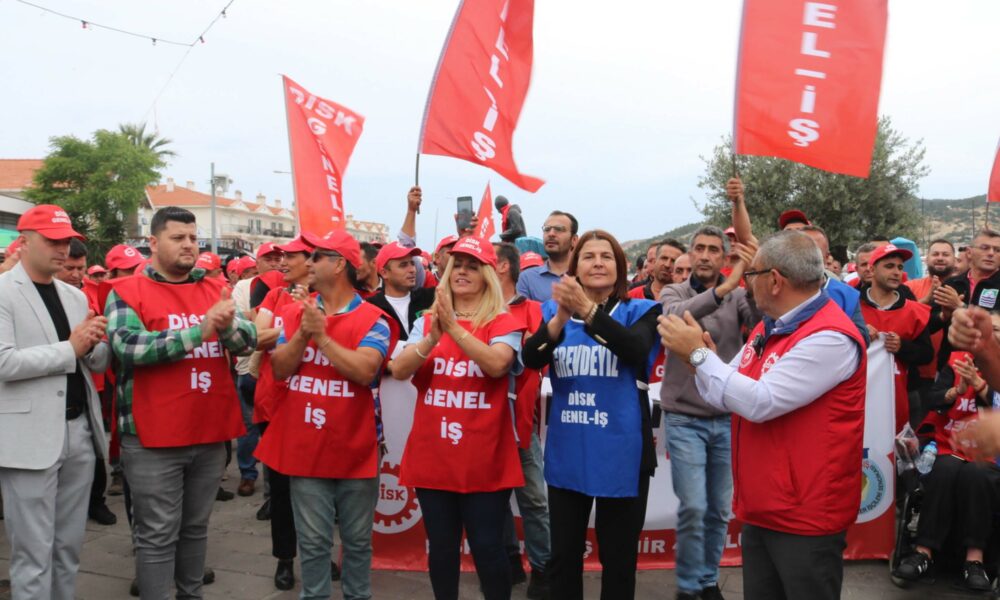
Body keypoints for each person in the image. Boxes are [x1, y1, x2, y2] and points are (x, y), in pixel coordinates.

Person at [659, 230, 866, 600]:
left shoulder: (829, 337)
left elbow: (760, 402)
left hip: (804, 515)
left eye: (750, 274)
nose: (744, 283)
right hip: (763, 505)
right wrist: (698, 361)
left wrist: (699, 357)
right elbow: (725, 395)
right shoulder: (768, 327)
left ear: (774, 281)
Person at [105, 206, 256, 599]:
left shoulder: (213, 287)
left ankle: (191, 594)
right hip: (152, 438)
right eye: (178, 238)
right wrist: (199, 331)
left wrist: (227, 325)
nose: (189, 245)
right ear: (153, 243)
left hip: (208, 433)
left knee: (195, 529)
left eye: (193, 238)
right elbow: (128, 347)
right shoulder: (127, 291)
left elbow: (247, 342)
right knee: (156, 535)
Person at [256, 230, 397, 600]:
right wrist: (303, 334)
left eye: (317, 256)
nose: (308, 262)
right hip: (305, 449)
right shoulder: (295, 313)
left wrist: (322, 337)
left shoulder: (374, 319)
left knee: (357, 541)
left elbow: (365, 371)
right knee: (313, 542)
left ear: (338, 265)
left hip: (356, 450)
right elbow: (280, 368)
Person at [522, 230, 661, 600]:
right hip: (569, 451)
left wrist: (587, 311)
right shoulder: (552, 312)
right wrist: (560, 319)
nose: (598, 263)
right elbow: (531, 358)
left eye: (606, 256)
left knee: (619, 561)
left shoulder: (643, 311)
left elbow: (634, 349)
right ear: (574, 268)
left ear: (620, 268)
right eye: (588, 256)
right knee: (564, 558)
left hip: (624, 454)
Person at [392, 237, 526, 600]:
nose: (463, 272)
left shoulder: (503, 321)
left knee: (487, 547)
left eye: (472, 266)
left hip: (485, 457)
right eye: (458, 265)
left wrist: (452, 328)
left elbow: (497, 364)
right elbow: (399, 369)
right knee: (442, 547)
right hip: (434, 455)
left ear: (487, 275)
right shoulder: (426, 322)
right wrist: (431, 337)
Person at [0, 205, 110, 600]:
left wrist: (95, 344)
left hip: (78, 429)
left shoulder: (74, 296)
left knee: (68, 547)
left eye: (67, 241)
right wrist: (71, 348)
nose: (63, 249)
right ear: (24, 241)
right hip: (28, 438)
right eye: (53, 241)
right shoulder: (3, 292)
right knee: (32, 554)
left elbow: (93, 360)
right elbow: (4, 363)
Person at [660, 226, 758, 600]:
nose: (704, 255)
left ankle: (707, 580)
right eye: (698, 248)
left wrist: (751, 277)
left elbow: (763, 321)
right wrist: (724, 288)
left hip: (726, 416)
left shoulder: (739, 295)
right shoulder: (674, 292)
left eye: (713, 249)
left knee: (718, 509)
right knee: (693, 507)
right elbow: (674, 316)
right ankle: (688, 587)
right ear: (691, 253)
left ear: (724, 257)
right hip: (684, 417)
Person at [893, 338, 997, 592]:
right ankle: (923, 553)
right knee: (944, 470)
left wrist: (980, 385)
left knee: (977, 475)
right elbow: (933, 399)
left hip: (989, 452)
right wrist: (955, 391)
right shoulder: (956, 361)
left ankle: (975, 560)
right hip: (951, 443)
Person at [494, 242, 551, 598]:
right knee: (492, 501)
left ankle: (542, 570)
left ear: (503, 266)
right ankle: (508, 561)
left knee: (534, 500)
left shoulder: (533, 309)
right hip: (482, 424)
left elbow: (535, 357)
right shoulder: (475, 309)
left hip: (520, 424)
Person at [52, 239, 118, 527]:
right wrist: (71, 347)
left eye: (81, 268)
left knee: (92, 451)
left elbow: (98, 351)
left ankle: (95, 501)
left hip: (88, 389)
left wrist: (96, 342)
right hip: (47, 399)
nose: (76, 274)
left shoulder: (83, 297)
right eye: (70, 268)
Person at [859, 243, 933, 431]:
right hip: (860, 396)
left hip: (904, 397)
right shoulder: (853, 306)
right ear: (872, 270)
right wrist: (858, 333)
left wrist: (902, 347)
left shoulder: (915, 311)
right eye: (889, 266)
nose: (896, 272)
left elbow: (927, 354)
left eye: (900, 267)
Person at [232, 243, 285, 497]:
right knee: (250, 428)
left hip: (280, 374)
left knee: (276, 435)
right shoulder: (246, 286)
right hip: (248, 368)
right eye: (269, 258)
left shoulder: (288, 287)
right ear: (258, 261)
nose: (275, 262)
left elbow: (255, 324)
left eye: (278, 258)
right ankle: (248, 474)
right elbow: (244, 324)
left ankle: (271, 494)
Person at [367, 241, 435, 341]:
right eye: (403, 265)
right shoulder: (371, 307)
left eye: (412, 263)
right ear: (384, 273)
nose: (412, 270)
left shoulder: (429, 298)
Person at [517, 211, 579, 303]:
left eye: (559, 229)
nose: (551, 234)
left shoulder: (586, 275)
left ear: (574, 240)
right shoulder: (527, 278)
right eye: (547, 229)